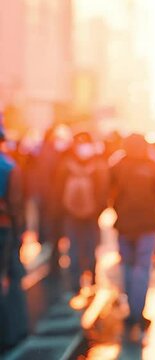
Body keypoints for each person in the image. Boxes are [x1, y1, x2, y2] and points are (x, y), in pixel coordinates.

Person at [110, 134, 155, 341]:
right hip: (147, 224)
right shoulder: (153, 165)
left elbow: (111, 191)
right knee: (142, 269)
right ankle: (137, 311)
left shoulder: (118, 164)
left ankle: (131, 311)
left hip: (124, 224)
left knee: (127, 267)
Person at [53, 132, 109, 295]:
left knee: (77, 247)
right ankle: (88, 278)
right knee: (86, 246)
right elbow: (104, 190)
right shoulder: (98, 164)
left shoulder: (66, 164)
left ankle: (77, 281)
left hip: (74, 214)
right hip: (85, 215)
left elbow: (58, 189)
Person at [0, 118, 28, 352]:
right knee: (12, 276)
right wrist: (20, 232)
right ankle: (13, 331)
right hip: (5, 228)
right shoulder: (9, 167)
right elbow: (16, 204)